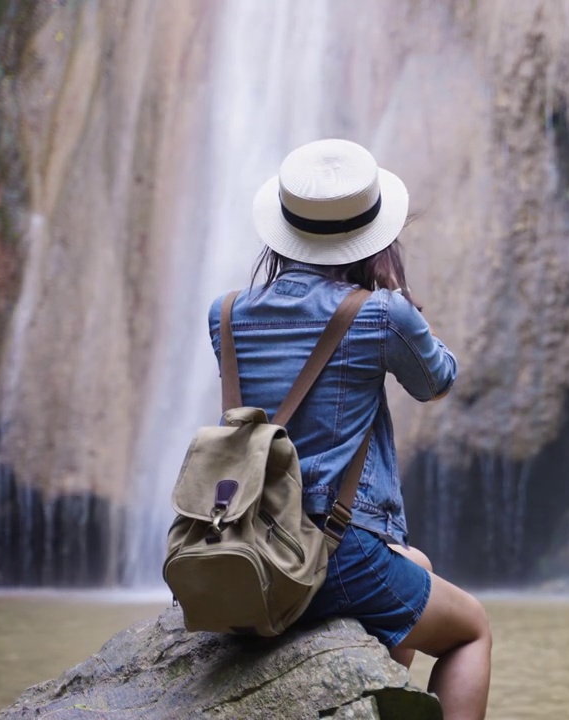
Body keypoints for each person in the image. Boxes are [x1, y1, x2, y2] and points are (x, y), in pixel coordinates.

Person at [208, 138, 491, 720]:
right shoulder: (380, 314)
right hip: (331, 559)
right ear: (370, 236)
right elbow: (437, 381)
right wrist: (395, 293)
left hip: (238, 546)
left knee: (417, 566)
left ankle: (368, 702)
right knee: (471, 631)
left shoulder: (226, 312)